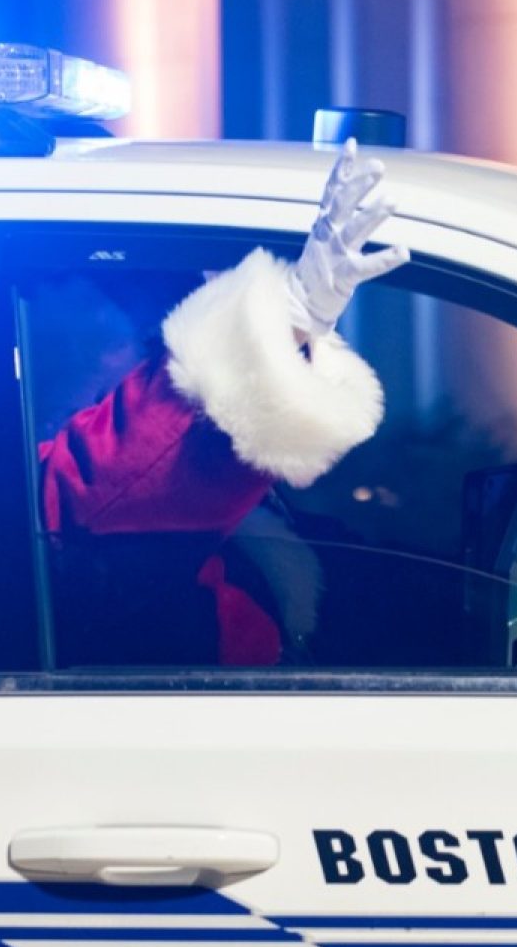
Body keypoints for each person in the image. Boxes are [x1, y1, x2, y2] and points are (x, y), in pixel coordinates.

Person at [35, 139, 408, 664]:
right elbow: (97, 486)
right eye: (143, 338)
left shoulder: (250, 521)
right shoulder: (34, 505)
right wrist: (278, 333)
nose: (156, 359)